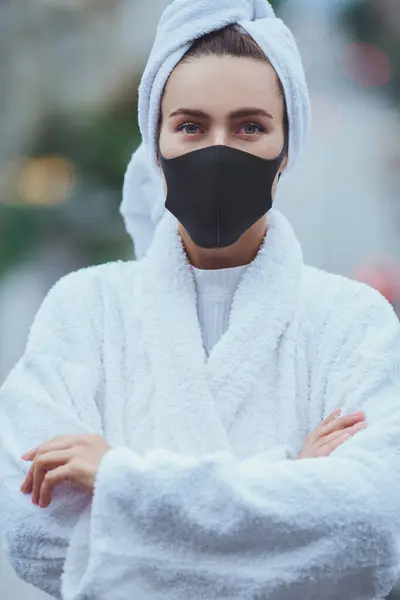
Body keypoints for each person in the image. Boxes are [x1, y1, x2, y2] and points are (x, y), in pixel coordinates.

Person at [1, 1, 400, 599]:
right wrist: (291, 482)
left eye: (249, 127)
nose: (219, 149)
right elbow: (31, 532)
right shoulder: (84, 309)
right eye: (190, 125)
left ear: (287, 146)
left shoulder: (351, 321)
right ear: (156, 143)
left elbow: (374, 524)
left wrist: (120, 481)